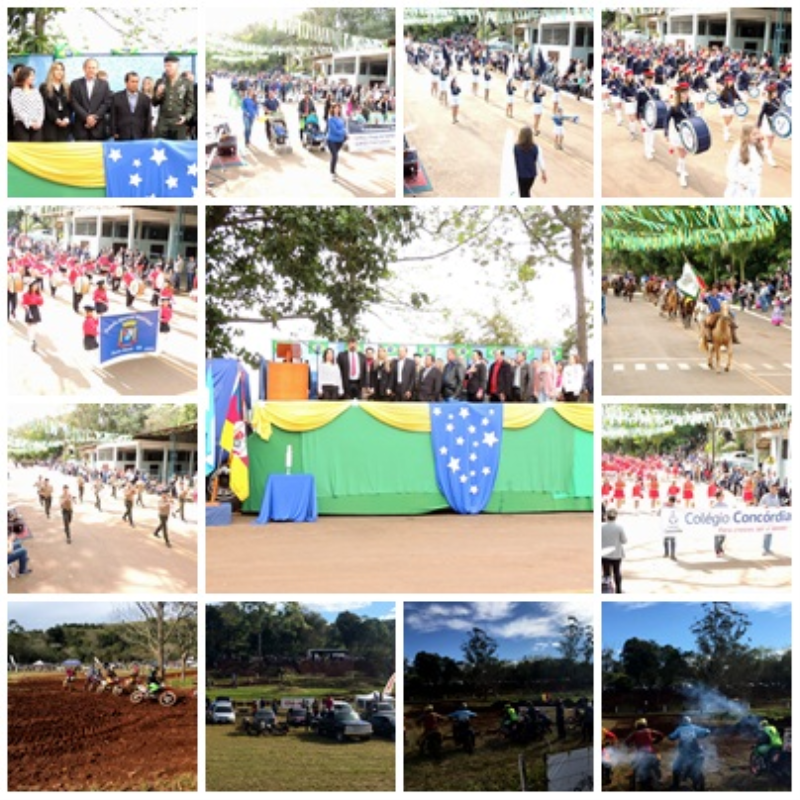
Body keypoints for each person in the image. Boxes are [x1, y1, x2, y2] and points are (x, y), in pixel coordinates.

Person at [153, 54, 194, 140]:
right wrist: (158, 94)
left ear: (177, 65)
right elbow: (154, 103)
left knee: (178, 146)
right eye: (165, 66)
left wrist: (186, 117)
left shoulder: (186, 83)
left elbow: (191, 105)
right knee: (161, 146)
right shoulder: (160, 81)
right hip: (163, 123)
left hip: (178, 122)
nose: (167, 68)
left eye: (169, 66)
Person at [70, 58, 112, 141]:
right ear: (84, 68)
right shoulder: (75, 84)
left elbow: (106, 103)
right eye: (89, 67)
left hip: (98, 128)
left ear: (97, 69)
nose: (91, 70)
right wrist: (86, 117)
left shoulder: (104, 84)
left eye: (94, 68)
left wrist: (95, 117)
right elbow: (74, 102)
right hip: (81, 127)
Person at [664, 82, 695, 189]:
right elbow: (666, 119)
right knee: (682, 155)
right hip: (678, 134)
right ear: (679, 93)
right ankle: (682, 176)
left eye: (686, 92)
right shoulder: (674, 107)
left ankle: (679, 167)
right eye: (683, 92)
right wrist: (666, 132)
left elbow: (694, 117)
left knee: (685, 154)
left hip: (688, 134)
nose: (685, 94)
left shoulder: (691, 105)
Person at [667, 716, 710, 790]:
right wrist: (701, 734)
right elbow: (707, 731)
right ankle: (701, 787)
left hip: (684, 755)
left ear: (682, 722)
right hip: (697, 754)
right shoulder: (694, 727)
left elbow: (671, 737)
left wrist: (671, 736)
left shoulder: (679, 729)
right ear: (690, 721)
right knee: (697, 770)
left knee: (676, 768)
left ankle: (675, 785)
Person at [725, 124, 764, 199]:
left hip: (754, 186)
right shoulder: (738, 148)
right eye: (754, 134)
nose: (757, 136)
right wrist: (739, 182)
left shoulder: (758, 147)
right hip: (739, 188)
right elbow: (730, 168)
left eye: (758, 133)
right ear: (747, 136)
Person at [111, 71, 152, 140]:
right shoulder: (116, 97)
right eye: (132, 82)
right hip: (122, 134)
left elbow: (148, 118)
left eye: (137, 82)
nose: (135, 84)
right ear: (126, 82)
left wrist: (148, 135)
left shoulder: (145, 99)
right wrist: (114, 132)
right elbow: (113, 116)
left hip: (140, 134)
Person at [10, 66, 45, 141]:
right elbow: (17, 110)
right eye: (31, 75)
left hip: (37, 125)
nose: (33, 78)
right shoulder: (16, 91)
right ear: (24, 76)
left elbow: (41, 107)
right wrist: (29, 123)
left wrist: (39, 121)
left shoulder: (35, 91)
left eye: (33, 76)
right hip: (21, 125)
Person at [39, 61, 72, 141]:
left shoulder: (67, 87)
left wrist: (66, 118)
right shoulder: (44, 87)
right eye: (57, 69)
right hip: (50, 123)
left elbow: (69, 105)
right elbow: (45, 105)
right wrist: (56, 119)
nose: (60, 72)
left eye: (62, 70)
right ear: (52, 71)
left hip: (64, 124)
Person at [514, 126, 547, 198]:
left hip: (519, 174)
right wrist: (543, 173)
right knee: (526, 191)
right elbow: (540, 161)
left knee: (521, 192)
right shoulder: (536, 147)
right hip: (531, 175)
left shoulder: (515, 148)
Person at [601, 508, 627, 593]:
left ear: (606, 516)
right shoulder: (619, 527)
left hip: (604, 554)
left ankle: (607, 590)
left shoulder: (601, 527)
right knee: (617, 571)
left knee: (606, 573)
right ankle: (618, 590)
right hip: (616, 554)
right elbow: (624, 540)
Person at [756, 83, 781, 168]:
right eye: (775, 92)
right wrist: (758, 126)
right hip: (768, 122)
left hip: (776, 122)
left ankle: (766, 149)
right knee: (769, 139)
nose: (776, 93)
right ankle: (769, 157)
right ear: (771, 93)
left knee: (772, 138)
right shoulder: (766, 103)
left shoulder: (777, 101)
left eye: (776, 91)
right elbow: (761, 115)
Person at [759, 482, 781, 555]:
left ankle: (768, 548)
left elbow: (778, 505)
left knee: (770, 533)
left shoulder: (776, 496)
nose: (774, 490)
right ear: (769, 489)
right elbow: (760, 505)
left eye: (775, 488)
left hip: (773, 518)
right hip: (766, 518)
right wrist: (764, 506)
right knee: (766, 533)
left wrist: (778, 507)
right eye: (772, 488)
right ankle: (765, 549)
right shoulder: (765, 496)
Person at [326, 103, 347, 180]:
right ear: (332, 109)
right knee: (335, 156)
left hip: (340, 141)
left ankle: (333, 169)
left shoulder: (341, 118)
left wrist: (345, 132)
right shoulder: (330, 119)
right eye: (336, 108)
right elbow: (335, 130)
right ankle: (332, 173)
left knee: (334, 156)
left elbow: (344, 128)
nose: (337, 109)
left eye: (339, 108)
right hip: (331, 140)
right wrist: (343, 131)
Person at [21, 282, 44, 352]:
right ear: (30, 286)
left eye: (36, 286)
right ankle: (31, 340)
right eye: (34, 286)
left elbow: (41, 303)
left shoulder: (38, 294)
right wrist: (25, 306)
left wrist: (40, 298)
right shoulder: (26, 294)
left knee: (34, 327)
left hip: (35, 310)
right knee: (29, 327)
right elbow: (23, 303)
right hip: (29, 309)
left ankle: (32, 340)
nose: (35, 287)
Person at [660, 495, 681, 560]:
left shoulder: (675, 507)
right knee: (666, 540)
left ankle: (672, 554)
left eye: (672, 502)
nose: (671, 503)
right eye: (670, 502)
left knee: (672, 540)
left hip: (672, 526)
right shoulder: (664, 506)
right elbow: (659, 513)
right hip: (666, 525)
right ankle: (666, 553)